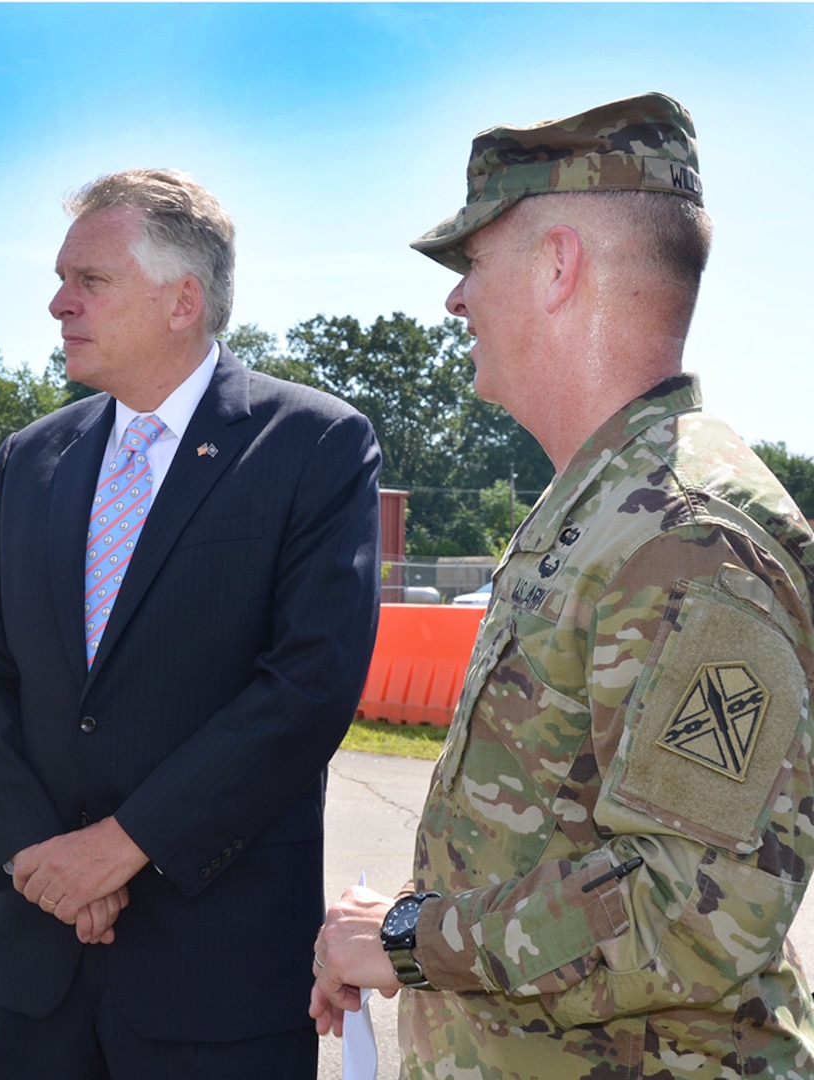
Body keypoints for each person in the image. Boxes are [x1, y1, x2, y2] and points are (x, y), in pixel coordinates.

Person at [309, 93, 814, 1079]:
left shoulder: (687, 536)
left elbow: (696, 913)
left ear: (557, 266)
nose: (454, 301)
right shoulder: (603, 505)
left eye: (472, 264)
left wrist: (413, 937)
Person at [0, 168, 382, 1078]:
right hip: (42, 967)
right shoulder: (33, 458)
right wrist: (40, 862)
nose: (58, 302)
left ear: (184, 300)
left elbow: (308, 685)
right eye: (62, 278)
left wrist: (120, 848)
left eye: (89, 281)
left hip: (219, 978)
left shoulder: (313, 446)